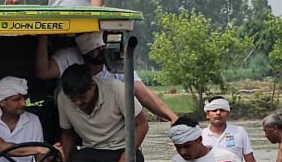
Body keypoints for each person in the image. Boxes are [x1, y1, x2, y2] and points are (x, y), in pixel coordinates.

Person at [37, 32, 178, 122]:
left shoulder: (116, 64)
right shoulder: (68, 57)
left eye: (102, 48)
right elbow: (43, 72)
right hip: (77, 121)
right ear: (84, 53)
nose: (101, 52)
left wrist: (172, 117)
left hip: (112, 125)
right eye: (96, 50)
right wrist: (43, 36)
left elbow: (145, 95)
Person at [57, 64, 148, 162]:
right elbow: (67, 134)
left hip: (122, 149)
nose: (78, 103)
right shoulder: (63, 99)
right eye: (73, 99)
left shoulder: (117, 90)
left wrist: (126, 158)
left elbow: (142, 125)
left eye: (82, 97)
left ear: (93, 86)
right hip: (91, 150)